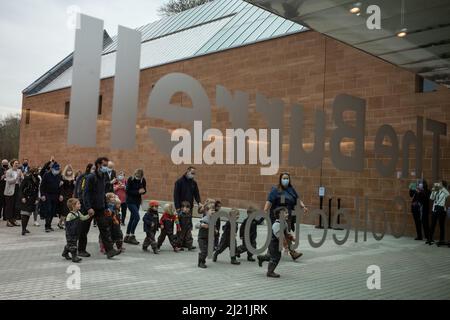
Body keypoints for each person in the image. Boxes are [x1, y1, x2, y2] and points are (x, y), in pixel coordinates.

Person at [263, 172, 307, 261]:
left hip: (287, 216)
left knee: (286, 233)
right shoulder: (275, 189)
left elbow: (297, 199)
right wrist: (265, 210)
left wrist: (303, 206)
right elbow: (269, 200)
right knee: (276, 233)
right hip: (276, 216)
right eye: (284, 178)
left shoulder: (291, 189)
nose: (285, 180)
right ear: (280, 179)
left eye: (287, 178)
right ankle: (270, 253)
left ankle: (292, 252)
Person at [83, 157, 120, 259]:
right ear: (98, 165)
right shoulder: (91, 177)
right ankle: (81, 250)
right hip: (90, 208)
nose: (106, 168)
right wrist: (88, 207)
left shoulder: (103, 176)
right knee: (84, 229)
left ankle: (110, 251)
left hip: (100, 208)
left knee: (105, 229)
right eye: (104, 165)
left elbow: (102, 193)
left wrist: (105, 206)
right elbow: (86, 194)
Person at [257, 208, 289, 278]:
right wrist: (286, 247)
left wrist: (292, 238)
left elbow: (286, 234)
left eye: (287, 213)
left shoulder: (284, 223)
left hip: (276, 243)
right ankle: (270, 272)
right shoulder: (277, 225)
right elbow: (281, 238)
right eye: (285, 213)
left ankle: (262, 258)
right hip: (273, 244)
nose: (287, 214)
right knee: (276, 257)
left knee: (271, 256)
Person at [62, 198, 94, 263]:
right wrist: (69, 232)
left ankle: (65, 253)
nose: (80, 205)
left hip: (76, 232)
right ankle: (74, 257)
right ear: (73, 206)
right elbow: (67, 224)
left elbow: (83, 218)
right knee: (73, 245)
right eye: (78, 204)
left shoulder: (78, 213)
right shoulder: (70, 215)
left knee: (70, 244)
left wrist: (89, 215)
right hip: (70, 233)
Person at [75, 163, 94, 257]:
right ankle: (80, 249)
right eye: (93, 169)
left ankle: (109, 248)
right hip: (85, 206)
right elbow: (81, 192)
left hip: (94, 206)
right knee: (83, 229)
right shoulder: (84, 178)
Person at [124, 169, 147, 245]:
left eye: (139, 176)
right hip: (130, 201)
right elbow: (127, 191)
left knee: (132, 218)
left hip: (137, 201)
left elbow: (144, 190)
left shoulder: (143, 180)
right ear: (135, 174)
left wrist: (143, 191)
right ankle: (132, 235)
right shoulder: (131, 179)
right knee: (137, 217)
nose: (138, 177)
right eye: (137, 175)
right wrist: (137, 192)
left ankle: (127, 236)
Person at [40, 162, 63, 232]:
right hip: (47, 195)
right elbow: (42, 186)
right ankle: (47, 226)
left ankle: (49, 225)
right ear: (52, 169)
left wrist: (60, 195)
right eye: (56, 169)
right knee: (48, 210)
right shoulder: (46, 175)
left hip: (55, 195)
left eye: (58, 170)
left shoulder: (59, 176)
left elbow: (60, 187)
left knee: (53, 211)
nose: (57, 171)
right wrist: (42, 195)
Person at [18, 167, 40, 235]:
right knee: (24, 213)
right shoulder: (27, 179)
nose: (37, 173)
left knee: (28, 214)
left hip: (32, 199)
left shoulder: (37, 180)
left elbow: (37, 190)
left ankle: (24, 228)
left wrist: (37, 198)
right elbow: (21, 189)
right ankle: (23, 230)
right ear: (33, 173)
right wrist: (22, 197)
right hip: (26, 198)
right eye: (36, 172)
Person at [428, 181, 450, 246]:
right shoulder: (436, 190)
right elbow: (431, 198)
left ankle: (441, 240)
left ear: (443, 185)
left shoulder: (444, 191)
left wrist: (442, 188)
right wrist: (433, 190)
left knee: (441, 225)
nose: (438, 185)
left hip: (441, 210)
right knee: (433, 224)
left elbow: (448, 194)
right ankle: (430, 239)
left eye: (440, 184)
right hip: (435, 209)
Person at [3, 159, 24, 227]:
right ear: (12, 164)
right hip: (10, 190)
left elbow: (22, 179)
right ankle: (8, 221)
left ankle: (14, 220)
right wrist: (16, 178)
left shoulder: (19, 171)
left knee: (16, 206)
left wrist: (22, 177)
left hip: (17, 188)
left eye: (18, 163)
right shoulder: (8, 171)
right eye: (15, 163)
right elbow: (9, 181)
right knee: (9, 206)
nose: (17, 164)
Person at [197, 202, 215, 269]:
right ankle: (201, 262)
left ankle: (201, 257)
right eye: (211, 210)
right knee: (204, 251)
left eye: (214, 210)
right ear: (207, 211)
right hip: (202, 238)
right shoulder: (205, 218)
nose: (213, 211)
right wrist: (202, 225)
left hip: (209, 238)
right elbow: (196, 225)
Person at [58, 165, 76, 229]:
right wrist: (60, 195)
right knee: (65, 210)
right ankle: (64, 224)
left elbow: (75, 188)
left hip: (71, 195)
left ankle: (60, 223)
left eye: (70, 170)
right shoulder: (62, 177)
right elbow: (61, 188)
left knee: (69, 210)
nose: (69, 172)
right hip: (64, 195)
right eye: (68, 170)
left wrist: (75, 184)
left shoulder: (73, 178)